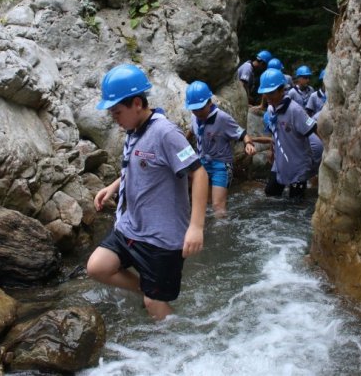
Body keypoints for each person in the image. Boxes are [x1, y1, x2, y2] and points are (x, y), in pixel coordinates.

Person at [88, 64, 209, 320]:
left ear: (137, 104)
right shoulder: (133, 130)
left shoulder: (166, 133)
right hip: (131, 228)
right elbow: (138, 166)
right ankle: (148, 289)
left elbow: (199, 173)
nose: (114, 119)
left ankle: (176, 345)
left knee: (155, 306)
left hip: (161, 240)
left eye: (117, 112)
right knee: (98, 266)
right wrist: (113, 186)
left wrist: (196, 226)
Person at [185, 81, 256, 217]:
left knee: (218, 207)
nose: (198, 112)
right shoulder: (195, 116)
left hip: (221, 166)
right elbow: (191, 131)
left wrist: (249, 144)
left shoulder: (222, 118)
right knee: (204, 204)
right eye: (194, 109)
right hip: (202, 164)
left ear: (209, 102)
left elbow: (242, 133)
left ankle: (223, 234)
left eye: (200, 108)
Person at [257, 68, 317, 199]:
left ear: (281, 90)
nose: (267, 97)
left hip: (298, 165)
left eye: (271, 93)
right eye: (265, 93)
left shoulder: (295, 110)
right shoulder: (271, 109)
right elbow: (276, 133)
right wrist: (272, 151)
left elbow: (314, 129)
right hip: (280, 163)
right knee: (270, 194)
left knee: (295, 203)